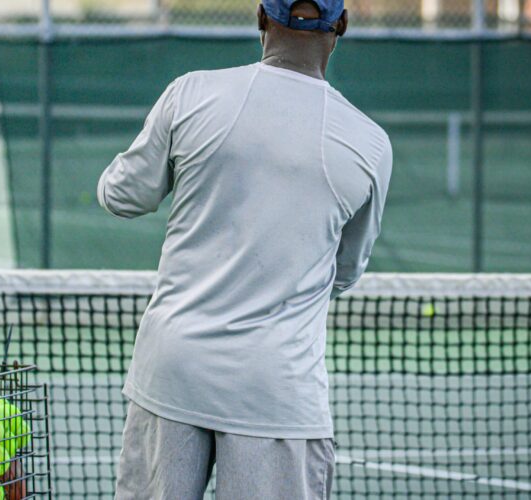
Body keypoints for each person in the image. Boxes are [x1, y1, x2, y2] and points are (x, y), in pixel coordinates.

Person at [98, 0, 392, 497]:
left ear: (261, 17)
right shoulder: (370, 144)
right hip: (277, 391)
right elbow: (342, 272)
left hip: (171, 371)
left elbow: (121, 196)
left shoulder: (189, 93)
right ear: (341, 24)